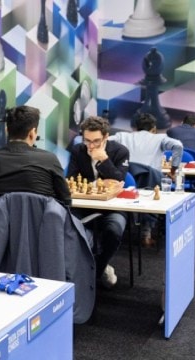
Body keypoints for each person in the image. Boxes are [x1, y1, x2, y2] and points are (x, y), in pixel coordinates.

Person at [67, 116, 129, 289]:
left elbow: (119, 181)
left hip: (113, 207)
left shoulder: (120, 151)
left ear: (106, 137)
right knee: (67, 224)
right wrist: (98, 184)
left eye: (96, 141)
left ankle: (97, 268)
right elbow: (71, 180)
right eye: (87, 140)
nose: (91, 146)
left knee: (114, 230)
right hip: (84, 206)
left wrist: (104, 160)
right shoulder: (78, 150)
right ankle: (88, 267)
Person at [110, 113, 183, 247]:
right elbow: (178, 146)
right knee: (160, 186)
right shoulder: (160, 138)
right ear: (154, 128)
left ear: (134, 127)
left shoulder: (122, 136)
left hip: (126, 182)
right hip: (151, 183)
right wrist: (173, 170)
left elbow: (104, 141)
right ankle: (147, 234)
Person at [0, 105, 71, 205]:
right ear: (32, 133)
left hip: (3, 221)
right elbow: (66, 201)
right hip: (44, 220)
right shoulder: (50, 160)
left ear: (7, 130)